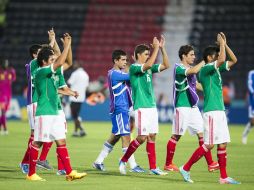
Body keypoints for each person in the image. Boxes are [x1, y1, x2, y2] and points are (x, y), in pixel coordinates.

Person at [179, 32, 240, 184]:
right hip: (211, 112)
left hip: (220, 111)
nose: (219, 56)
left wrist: (224, 45)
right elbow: (222, 59)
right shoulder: (206, 69)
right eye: (217, 55)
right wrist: (221, 45)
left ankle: (223, 177)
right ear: (210, 58)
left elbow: (234, 60)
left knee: (223, 143)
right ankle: (185, 168)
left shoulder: (216, 70)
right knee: (209, 144)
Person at [27, 33, 86, 181]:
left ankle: (69, 172)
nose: (55, 61)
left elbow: (58, 82)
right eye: (52, 59)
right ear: (44, 61)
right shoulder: (41, 71)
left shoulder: (50, 73)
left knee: (61, 140)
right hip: (44, 112)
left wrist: (70, 92)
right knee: (38, 142)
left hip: (54, 111)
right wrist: (66, 46)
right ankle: (31, 174)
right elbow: (60, 62)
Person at [20, 29, 71, 173]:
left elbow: (57, 58)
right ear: (36, 55)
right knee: (36, 135)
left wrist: (53, 40)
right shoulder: (33, 64)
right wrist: (55, 43)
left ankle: (41, 162)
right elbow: (53, 58)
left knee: (48, 134)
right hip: (35, 101)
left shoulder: (46, 66)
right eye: (42, 52)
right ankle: (27, 164)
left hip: (45, 102)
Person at [119, 35, 169, 175]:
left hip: (152, 106)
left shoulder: (148, 68)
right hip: (141, 107)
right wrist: (156, 49)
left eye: (149, 54)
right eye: (146, 54)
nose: (148, 56)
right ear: (138, 55)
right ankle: (123, 160)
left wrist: (162, 49)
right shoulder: (135, 68)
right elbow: (147, 65)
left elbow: (166, 65)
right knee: (142, 137)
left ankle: (153, 168)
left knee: (152, 136)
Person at [164, 45, 219, 172]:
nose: (194, 57)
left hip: (193, 107)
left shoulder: (190, 69)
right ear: (184, 56)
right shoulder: (179, 68)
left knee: (202, 135)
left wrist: (210, 89)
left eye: (194, 55)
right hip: (182, 107)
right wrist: (206, 60)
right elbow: (194, 71)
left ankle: (210, 163)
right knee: (176, 136)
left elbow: (196, 85)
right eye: (191, 55)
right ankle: (168, 164)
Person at [93, 50, 145, 173]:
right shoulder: (114, 74)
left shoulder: (120, 74)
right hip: (119, 109)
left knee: (115, 137)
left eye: (126, 60)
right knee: (126, 137)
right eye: (122, 59)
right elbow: (132, 76)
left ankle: (98, 161)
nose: (125, 62)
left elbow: (132, 82)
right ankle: (132, 165)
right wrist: (140, 65)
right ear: (115, 60)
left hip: (123, 109)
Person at [67, 61, 89, 137]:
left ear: (79, 65)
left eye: (75, 64)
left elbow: (69, 83)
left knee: (75, 116)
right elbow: (86, 87)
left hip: (74, 97)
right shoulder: (86, 74)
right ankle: (76, 131)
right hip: (81, 97)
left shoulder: (75, 74)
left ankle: (81, 129)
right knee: (76, 115)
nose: (74, 65)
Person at [0, 58, 16, 135]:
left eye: (6, 63)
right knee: (3, 111)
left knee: (4, 112)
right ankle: (5, 128)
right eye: (4, 63)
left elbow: (13, 78)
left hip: (8, 94)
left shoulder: (11, 71)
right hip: (1, 94)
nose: (5, 64)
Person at [242, 70, 254, 144]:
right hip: (252, 101)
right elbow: (249, 85)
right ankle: (244, 135)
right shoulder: (251, 73)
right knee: (252, 121)